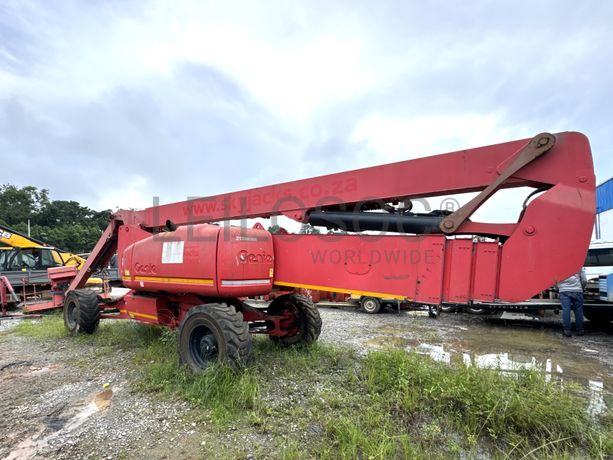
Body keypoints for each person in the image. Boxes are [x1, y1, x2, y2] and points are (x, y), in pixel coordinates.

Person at [557, 269, 587, 337]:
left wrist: (558, 288)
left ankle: (567, 331)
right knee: (579, 310)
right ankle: (580, 330)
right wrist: (581, 288)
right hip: (577, 290)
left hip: (564, 290)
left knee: (566, 310)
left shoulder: (559, 265)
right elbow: (584, 280)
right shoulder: (578, 264)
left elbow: (555, 279)